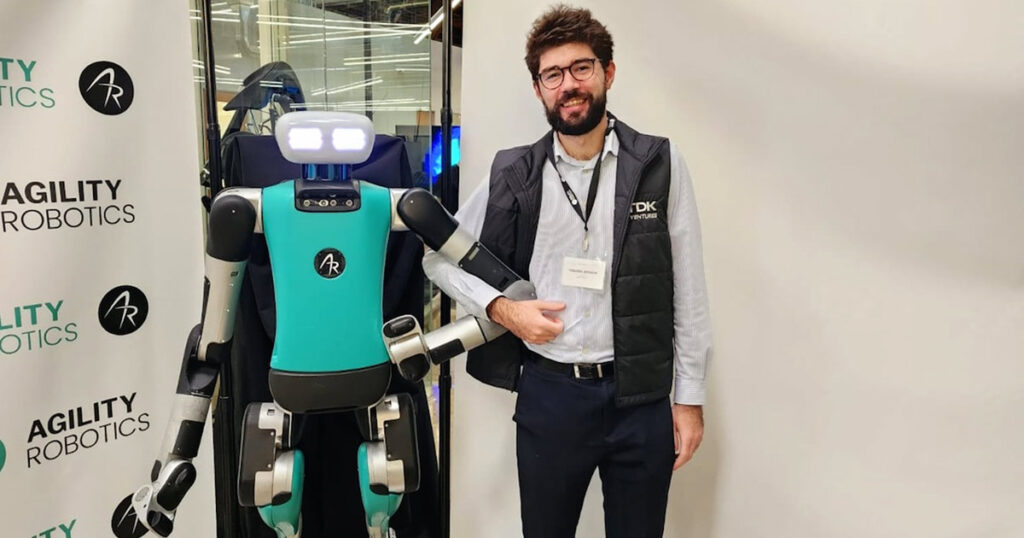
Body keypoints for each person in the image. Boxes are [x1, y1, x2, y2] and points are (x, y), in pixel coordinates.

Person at [423, 5, 712, 537]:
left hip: (639, 399)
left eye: (581, 68)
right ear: (539, 90)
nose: (568, 85)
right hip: (551, 397)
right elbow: (438, 257)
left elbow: (688, 288)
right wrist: (504, 311)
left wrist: (688, 398)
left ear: (608, 72)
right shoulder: (515, 172)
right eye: (552, 75)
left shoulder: (658, 165)